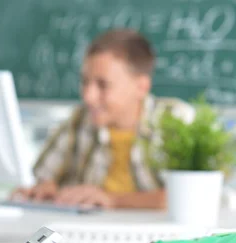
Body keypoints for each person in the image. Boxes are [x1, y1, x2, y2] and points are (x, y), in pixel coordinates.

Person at [13, 29, 195, 209]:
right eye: (85, 82)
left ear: (141, 87)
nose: (88, 96)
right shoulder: (80, 119)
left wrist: (112, 200)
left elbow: (196, 195)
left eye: (103, 85)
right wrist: (45, 188)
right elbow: (42, 177)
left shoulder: (175, 120)